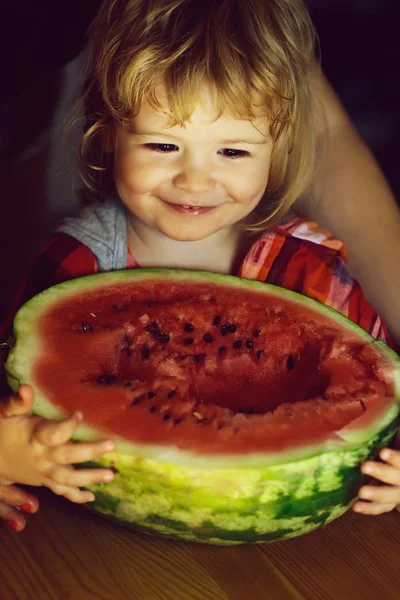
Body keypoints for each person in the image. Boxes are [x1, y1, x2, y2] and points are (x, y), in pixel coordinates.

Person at [1, 0, 400, 532]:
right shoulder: (75, 262)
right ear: (108, 135)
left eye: (233, 153)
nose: (195, 180)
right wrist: (11, 453)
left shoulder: (313, 271)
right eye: (164, 145)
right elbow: (19, 394)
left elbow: (376, 395)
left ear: (278, 150)